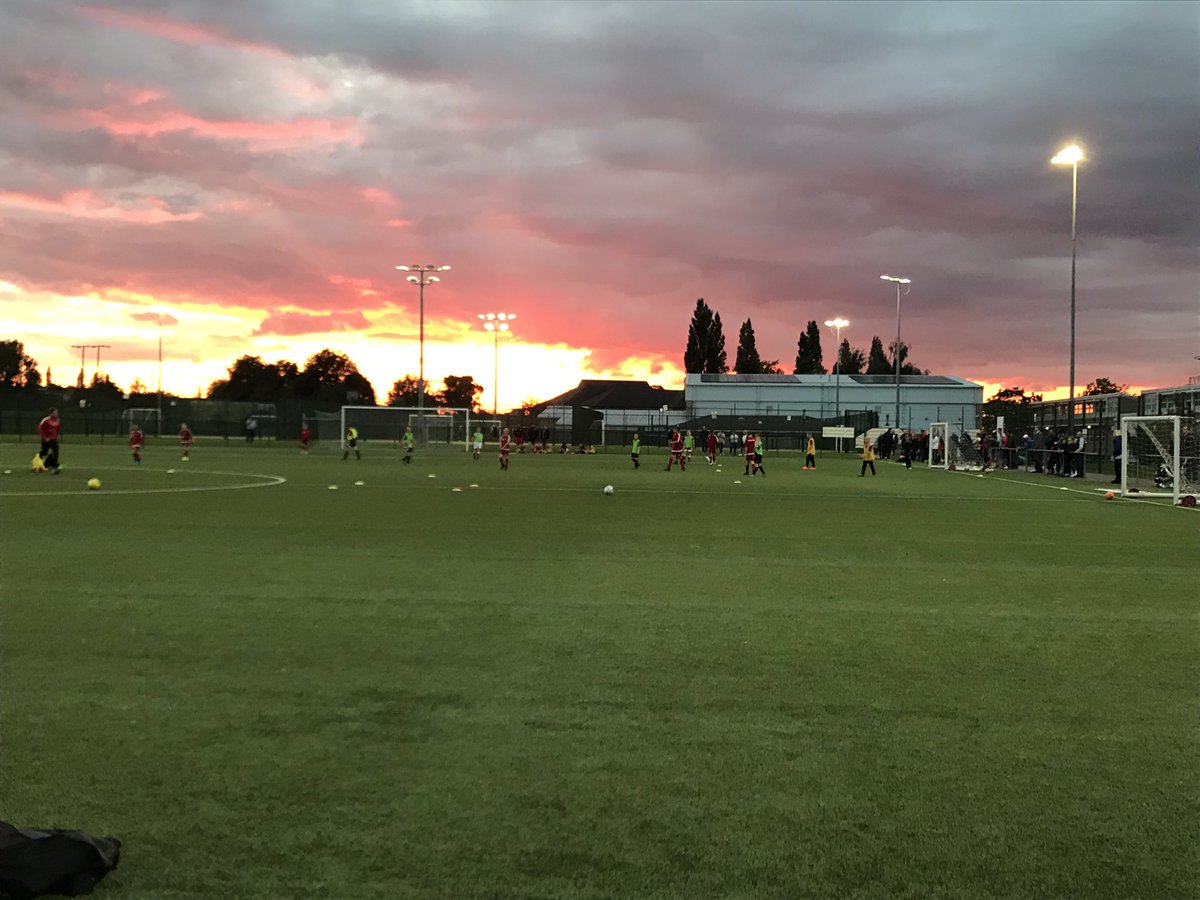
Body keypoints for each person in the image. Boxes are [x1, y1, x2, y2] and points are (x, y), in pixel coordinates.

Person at [38, 407, 62, 474]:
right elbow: (40, 429)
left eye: (57, 412)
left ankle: (54, 466)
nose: (56, 414)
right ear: (51, 413)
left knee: (55, 452)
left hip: (53, 439)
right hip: (46, 439)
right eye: (55, 412)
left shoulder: (58, 420)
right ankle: (39, 464)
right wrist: (45, 437)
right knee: (44, 452)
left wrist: (56, 436)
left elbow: (57, 429)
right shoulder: (46, 420)